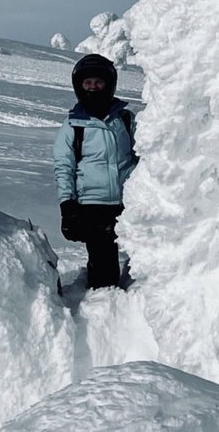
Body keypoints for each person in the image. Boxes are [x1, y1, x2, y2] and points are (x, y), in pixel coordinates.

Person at [53, 53, 138, 289]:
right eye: (87, 83)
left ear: (108, 84)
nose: (92, 88)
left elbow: (144, 154)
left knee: (146, 255)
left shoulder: (125, 119)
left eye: (98, 82)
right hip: (92, 205)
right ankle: (103, 308)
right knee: (104, 267)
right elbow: (64, 167)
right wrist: (67, 206)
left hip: (129, 201)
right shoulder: (73, 124)